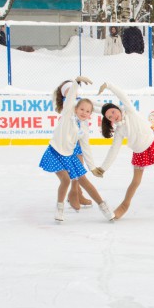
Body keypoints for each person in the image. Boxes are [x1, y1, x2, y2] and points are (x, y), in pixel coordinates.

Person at [94, 82, 154, 220]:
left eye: (113, 112)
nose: (114, 116)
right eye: (110, 117)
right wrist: (103, 168)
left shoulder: (130, 111)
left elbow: (122, 95)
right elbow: (113, 150)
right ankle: (124, 205)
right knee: (136, 182)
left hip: (152, 146)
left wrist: (109, 86)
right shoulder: (119, 130)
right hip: (139, 153)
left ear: (118, 109)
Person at [39, 77, 114, 222]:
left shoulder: (84, 127)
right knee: (66, 180)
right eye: (81, 109)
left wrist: (92, 168)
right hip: (55, 152)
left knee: (85, 180)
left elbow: (86, 148)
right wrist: (76, 82)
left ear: (90, 114)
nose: (84, 112)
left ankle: (104, 207)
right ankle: (59, 209)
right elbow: (71, 97)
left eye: (87, 111)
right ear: (75, 108)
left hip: (69, 155)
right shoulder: (68, 114)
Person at [51, 79, 100, 211]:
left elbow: (94, 107)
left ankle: (78, 193)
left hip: (78, 141)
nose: (72, 93)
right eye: (67, 91)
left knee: (79, 168)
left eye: (72, 90)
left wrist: (110, 109)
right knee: (73, 171)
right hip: (68, 143)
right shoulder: (68, 106)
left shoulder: (80, 103)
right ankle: (74, 194)